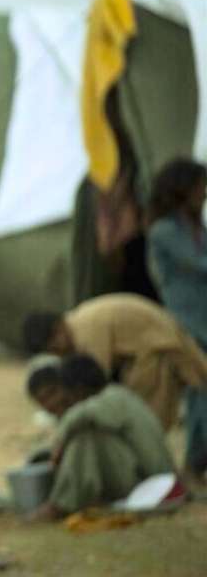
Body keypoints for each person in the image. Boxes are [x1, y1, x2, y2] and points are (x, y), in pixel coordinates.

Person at [23, 293, 207, 431]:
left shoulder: (87, 332)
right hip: (143, 352)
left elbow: (94, 385)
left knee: (146, 422)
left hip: (155, 348)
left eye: (55, 348)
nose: (59, 353)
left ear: (58, 330)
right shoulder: (79, 323)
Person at [28, 355, 175, 519]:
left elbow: (81, 415)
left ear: (79, 389)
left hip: (154, 486)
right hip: (149, 481)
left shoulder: (111, 398)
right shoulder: (115, 397)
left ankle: (60, 505)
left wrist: (60, 442)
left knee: (86, 437)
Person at [146, 158, 207, 479]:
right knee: (200, 390)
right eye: (199, 186)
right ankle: (196, 461)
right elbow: (198, 264)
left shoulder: (195, 228)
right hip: (188, 322)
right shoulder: (165, 231)